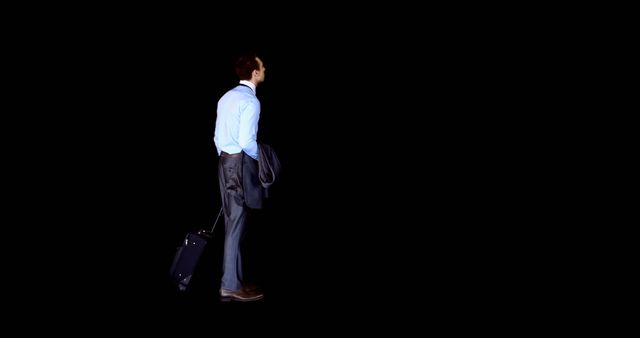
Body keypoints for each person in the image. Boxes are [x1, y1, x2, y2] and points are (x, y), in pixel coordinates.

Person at [213, 52, 266, 302]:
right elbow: (247, 141)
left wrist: (227, 159)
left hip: (224, 161)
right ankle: (229, 285)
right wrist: (259, 159)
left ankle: (235, 280)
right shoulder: (251, 102)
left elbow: (216, 137)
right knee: (236, 225)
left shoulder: (226, 97)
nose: (265, 69)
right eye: (262, 66)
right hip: (238, 163)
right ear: (254, 73)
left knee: (233, 223)